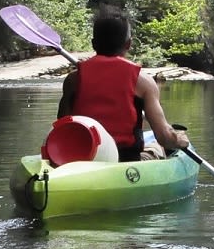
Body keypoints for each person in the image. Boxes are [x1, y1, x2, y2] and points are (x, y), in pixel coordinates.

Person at [58, 10, 190, 162]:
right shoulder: (143, 82)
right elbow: (164, 137)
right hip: (126, 161)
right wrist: (180, 140)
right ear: (128, 44)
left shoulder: (73, 79)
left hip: (82, 160)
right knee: (158, 148)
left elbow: (63, 128)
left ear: (94, 44)